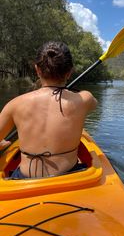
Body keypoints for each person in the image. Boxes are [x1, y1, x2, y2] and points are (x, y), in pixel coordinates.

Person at [0, 41, 97, 178]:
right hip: (70, 175)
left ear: (37, 70)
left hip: (25, 179)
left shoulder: (15, 104)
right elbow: (94, 104)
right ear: (69, 72)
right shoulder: (84, 99)